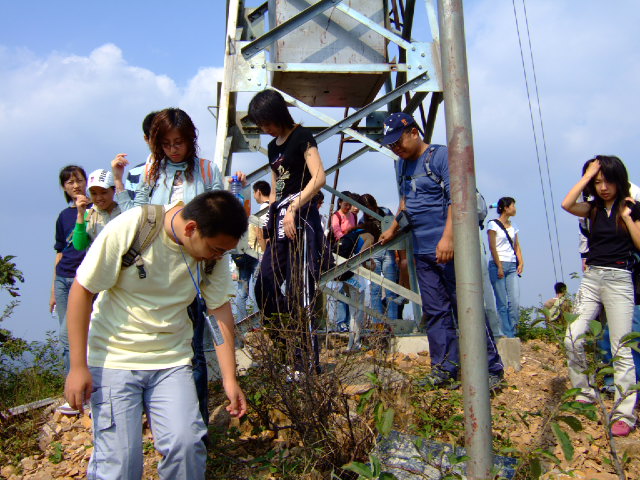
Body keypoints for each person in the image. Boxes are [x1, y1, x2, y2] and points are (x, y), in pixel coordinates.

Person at [64, 191, 248, 478]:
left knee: (186, 446)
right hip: (115, 358)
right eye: (215, 249)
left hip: (172, 360)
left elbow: (219, 309)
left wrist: (229, 378)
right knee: (120, 464)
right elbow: (82, 290)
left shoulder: (214, 253)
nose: (218, 256)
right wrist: (77, 367)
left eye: (223, 251)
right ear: (191, 228)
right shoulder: (134, 227)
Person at [111, 108, 232, 426]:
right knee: (157, 349)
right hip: (155, 272)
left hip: (193, 271)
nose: (173, 149)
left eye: (179, 142)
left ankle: (197, 427)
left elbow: (220, 213)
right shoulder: (153, 171)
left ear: (190, 140)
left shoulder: (206, 170)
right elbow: (137, 214)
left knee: (194, 353)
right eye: (166, 144)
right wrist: (120, 183)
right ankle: (163, 421)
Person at [379, 112, 504, 389]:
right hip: (423, 251)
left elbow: (456, 198)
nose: (396, 148)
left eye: (398, 141)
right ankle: (444, 369)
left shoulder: (441, 157)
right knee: (435, 311)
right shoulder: (403, 165)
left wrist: (448, 238)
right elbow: (406, 201)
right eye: (391, 145)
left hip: (451, 249)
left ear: (414, 132)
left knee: (467, 308)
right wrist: (393, 228)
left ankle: (491, 368)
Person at [248, 89, 326, 375]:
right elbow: (275, 188)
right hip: (280, 221)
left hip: (302, 219)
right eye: (260, 125)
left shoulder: (302, 136)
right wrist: (271, 221)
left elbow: (319, 177)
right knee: (264, 284)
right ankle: (286, 344)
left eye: (266, 122)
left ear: (278, 115)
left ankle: (306, 363)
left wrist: (294, 208)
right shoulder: (272, 148)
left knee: (299, 291)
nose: (264, 129)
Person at [561, 156, 639, 437]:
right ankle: (584, 392)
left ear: (619, 180)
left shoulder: (630, 207)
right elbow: (567, 204)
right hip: (592, 278)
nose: (603, 187)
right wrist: (587, 175)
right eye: (597, 182)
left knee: (621, 348)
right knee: (572, 337)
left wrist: (628, 218)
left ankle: (624, 414)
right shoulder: (592, 209)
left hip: (619, 280)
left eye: (608, 181)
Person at [50, 166, 88, 378]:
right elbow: (60, 252)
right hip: (62, 279)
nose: (75, 186)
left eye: (79, 180)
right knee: (68, 338)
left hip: (82, 279)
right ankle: (73, 382)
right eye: (70, 182)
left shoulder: (96, 210)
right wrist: (53, 290)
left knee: (68, 335)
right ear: (64, 187)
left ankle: (75, 382)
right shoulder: (64, 216)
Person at [359, 193, 400, 323]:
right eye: (365, 209)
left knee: (390, 288)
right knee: (375, 289)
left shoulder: (385, 212)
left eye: (370, 208)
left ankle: (393, 321)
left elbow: (396, 227)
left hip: (388, 251)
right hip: (373, 254)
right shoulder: (362, 221)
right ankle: (378, 323)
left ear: (374, 205)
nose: (368, 212)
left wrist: (398, 254)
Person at [487, 197, 524, 338]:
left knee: (514, 301)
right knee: (502, 302)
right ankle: (508, 334)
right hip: (498, 264)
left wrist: (521, 262)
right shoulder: (493, 225)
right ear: (505, 208)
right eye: (512, 206)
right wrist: (499, 266)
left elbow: (516, 246)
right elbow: (492, 247)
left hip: (512, 265)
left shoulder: (514, 226)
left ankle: (513, 330)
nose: (515, 208)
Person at [72, 169, 121, 251]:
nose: (99, 198)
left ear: (114, 190)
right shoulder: (87, 215)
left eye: (104, 192)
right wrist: (80, 214)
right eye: (94, 193)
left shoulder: (125, 212)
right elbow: (79, 245)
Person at [123, 111, 159, 199]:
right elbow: (133, 206)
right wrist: (117, 179)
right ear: (146, 139)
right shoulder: (134, 173)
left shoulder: (179, 170)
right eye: (156, 138)